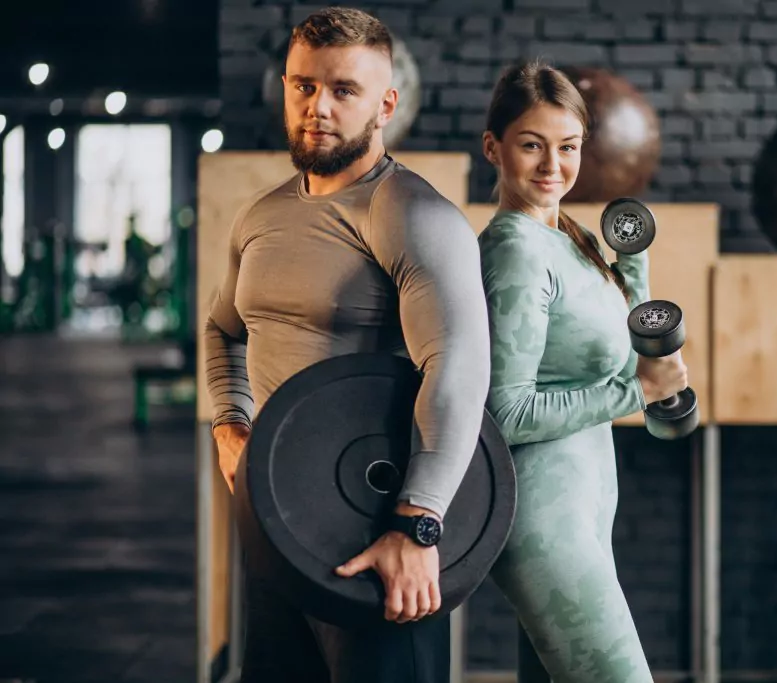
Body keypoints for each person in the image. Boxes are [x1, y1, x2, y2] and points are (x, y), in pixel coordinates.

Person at [203, 7, 491, 682]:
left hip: (376, 529)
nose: (318, 107)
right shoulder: (263, 214)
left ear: (386, 104)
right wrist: (229, 421)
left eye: (343, 90)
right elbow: (222, 327)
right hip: (277, 523)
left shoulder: (411, 214)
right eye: (303, 85)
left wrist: (419, 523)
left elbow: (458, 369)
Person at [477, 61, 690, 683]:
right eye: (531, 145)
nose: (552, 166)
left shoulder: (566, 238)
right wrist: (637, 390)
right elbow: (503, 413)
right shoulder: (516, 248)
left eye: (567, 147)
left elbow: (624, 356)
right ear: (494, 147)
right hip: (544, 523)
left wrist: (634, 268)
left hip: (583, 509)